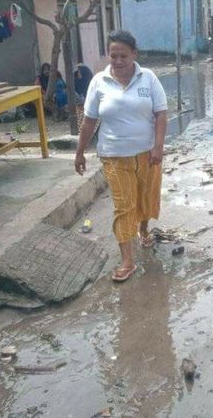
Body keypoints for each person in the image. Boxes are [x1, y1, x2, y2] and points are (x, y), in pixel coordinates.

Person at [74, 30, 167, 283]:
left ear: (134, 54)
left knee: (145, 197)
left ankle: (144, 229)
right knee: (124, 206)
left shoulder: (148, 78)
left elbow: (161, 113)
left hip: (148, 154)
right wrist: (80, 152)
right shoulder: (98, 82)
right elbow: (89, 120)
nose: (117, 60)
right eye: (113, 55)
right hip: (114, 156)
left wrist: (159, 146)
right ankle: (127, 260)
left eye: (123, 55)